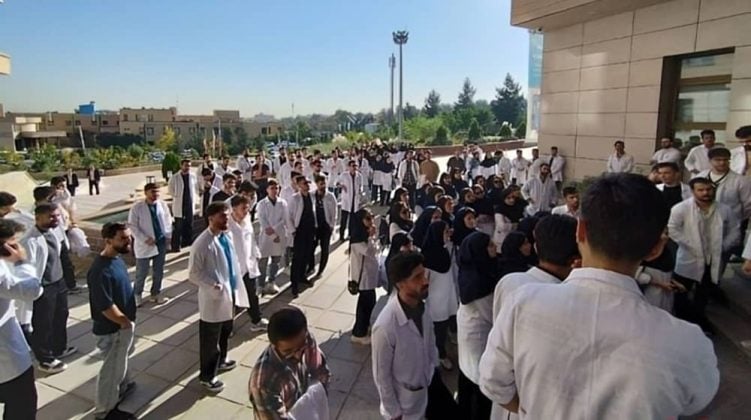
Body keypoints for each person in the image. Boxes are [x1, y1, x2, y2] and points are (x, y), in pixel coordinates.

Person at [479, 173, 719, 419]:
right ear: (657, 248)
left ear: (580, 231)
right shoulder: (688, 343)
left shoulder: (524, 302)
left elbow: (493, 382)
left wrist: (536, 410)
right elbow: (697, 410)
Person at [372, 251, 459, 420]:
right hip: (406, 402)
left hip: (430, 383)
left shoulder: (422, 307)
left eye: (424, 274)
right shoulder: (385, 326)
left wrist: (433, 365)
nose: (425, 281)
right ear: (400, 284)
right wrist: (394, 412)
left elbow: (430, 341)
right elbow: (381, 377)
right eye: (417, 277)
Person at [188, 201, 250, 393]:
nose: (227, 219)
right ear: (211, 218)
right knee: (210, 340)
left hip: (229, 293)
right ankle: (207, 377)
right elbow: (193, 274)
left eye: (228, 215)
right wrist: (214, 286)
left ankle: (222, 360)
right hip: (214, 298)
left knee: (225, 331)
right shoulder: (202, 244)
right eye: (223, 216)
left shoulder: (225, 236)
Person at [669, 177, 739, 334]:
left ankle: (699, 322)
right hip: (688, 257)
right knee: (680, 292)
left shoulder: (724, 210)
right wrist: (690, 244)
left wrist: (723, 246)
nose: (705, 193)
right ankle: (679, 322)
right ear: (693, 191)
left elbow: (735, 229)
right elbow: (673, 229)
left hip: (712, 258)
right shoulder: (681, 209)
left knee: (703, 294)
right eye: (701, 190)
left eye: (708, 189)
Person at [87, 222, 137, 420]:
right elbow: (105, 306)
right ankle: (105, 411)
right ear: (108, 241)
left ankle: (123, 388)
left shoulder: (116, 259)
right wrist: (124, 323)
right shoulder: (99, 271)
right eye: (123, 238)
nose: (128, 241)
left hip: (122, 325)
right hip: (113, 329)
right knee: (111, 371)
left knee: (120, 362)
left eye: (129, 236)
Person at [22, 203, 76, 374]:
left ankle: (59, 348)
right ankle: (45, 359)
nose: (56, 219)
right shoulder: (29, 241)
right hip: (44, 287)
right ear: (38, 218)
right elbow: (27, 268)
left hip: (59, 282)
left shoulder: (53, 231)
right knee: (43, 323)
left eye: (57, 215)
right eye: (51, 216)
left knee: (61, 315)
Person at [248, 307, 330, 419]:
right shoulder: (264, 384)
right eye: (288, 351)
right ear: (274, 345)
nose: (298, 356)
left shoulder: (306, 339)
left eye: (301, 347)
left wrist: (320, 398)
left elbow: (321, 371)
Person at [0, 218, 42, 420]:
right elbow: (32, 290)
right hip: (8, 361)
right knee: (22, 408)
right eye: (14, 244)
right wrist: (21, 262)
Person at [456, 231, 499, 420]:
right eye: (490, 245)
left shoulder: (474, 269)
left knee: (468, 371)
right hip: (478, 334)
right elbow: (492, 316)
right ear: (479, 251)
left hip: (470, 330)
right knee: (477, 378)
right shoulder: (479, 282)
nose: (495, 247)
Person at [697, 147, 751, 260]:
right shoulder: (700, 177)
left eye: (725, 160)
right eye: (718, 160)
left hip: (730, 226)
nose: (722, 163)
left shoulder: (741, 180)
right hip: (703, 223)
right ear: (710, 161)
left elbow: (747, 206)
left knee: (724, 257)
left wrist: (736, 220)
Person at [228, 195, 268, 332]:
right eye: (243, 208)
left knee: (252, 294)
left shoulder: (247, 220)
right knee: (231, 299)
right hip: (232, 269)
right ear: (234, 209)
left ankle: (257, 320)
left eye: (248, 207)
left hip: (248, 266)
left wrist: (256, 253)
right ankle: (227, 327)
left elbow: (251, 239)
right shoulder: (226, 225)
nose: (247, 211)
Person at [128, 183, 172, 307]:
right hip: (144, 244)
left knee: (158, 271)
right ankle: (137, 295)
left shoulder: (162, 205)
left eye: (157, 192)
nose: (156, 194)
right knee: (142, 272)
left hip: (160, 242)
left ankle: (155, 294)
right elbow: (132, 226)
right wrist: (144, 239)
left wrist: (168, 236)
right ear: (146, 192)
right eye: (153, 192)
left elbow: (168, 221)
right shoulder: (137, 208)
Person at [422, 220, 458, 370]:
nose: (448, 234)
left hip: (448, 296)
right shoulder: (426, 258)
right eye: (445, 232)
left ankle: (440, 353)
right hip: (435, 301)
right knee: (438, 330)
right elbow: (424, 282)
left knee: (444, 327)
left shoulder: (445, 250)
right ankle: (439, 356)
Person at [350, 209, 380, 345]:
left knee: (370, 303)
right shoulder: (357, 239)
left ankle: (364, 326)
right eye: (368, 219)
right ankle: (358, 333)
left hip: (370, 275)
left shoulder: (365, 235)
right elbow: (369, 251)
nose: (371, 221)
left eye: (371, 217)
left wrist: (372, 236)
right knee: (364, 304)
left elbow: (377, 249)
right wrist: (371, 236)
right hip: (363, 277)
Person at [287, 175, 317, 298]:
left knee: (307, 255)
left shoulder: (311, 196)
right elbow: (288, 216)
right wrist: (293, 230)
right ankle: (294, 284)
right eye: (304, 183)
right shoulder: (294, 199)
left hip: (310, 230)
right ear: (299, 185)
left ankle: (302, 276)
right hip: (299, 231)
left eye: (308, 183)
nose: (307, 186)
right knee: (297, 258)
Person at [256, 179, 286, 296]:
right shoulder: (262, 204)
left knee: (276, 261)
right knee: (263, 262)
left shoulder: (283, 203)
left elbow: (284, 219)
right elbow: (263, 221)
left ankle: (271, 282)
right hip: (266, 236)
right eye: (272, 188)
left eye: (276, 188)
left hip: (279, 235)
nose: (274, 191)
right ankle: (260, 285)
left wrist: (276, 232)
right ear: (267, 190)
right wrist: (273, 234)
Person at [167, 159, 199, 252]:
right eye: (186, 165)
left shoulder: (193, 176)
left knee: (189, 225)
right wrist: (177, 196)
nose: (187, 167)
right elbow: (170, 190)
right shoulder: (175, 177)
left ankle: (187, 244)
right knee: (178, 227)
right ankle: (176, 246)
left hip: (189, 204)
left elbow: (196, 188)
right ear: (181, 166)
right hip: (179, 204)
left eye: (189, 166)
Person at [311, 175, 337, 279]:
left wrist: (332, 225)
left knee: (324, 249)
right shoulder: (312, 195)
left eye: (324, 183)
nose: (323, 186)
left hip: (326, 227)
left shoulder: (330, 196)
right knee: (311, 248)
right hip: (315, 226)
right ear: (316, 184)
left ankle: (321, 270)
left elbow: (334, 213)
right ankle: (311, 266)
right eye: (321, 184)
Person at [337, 160, 364, 241]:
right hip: (346, 200)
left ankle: (350, 234)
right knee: (344, 219)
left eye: (355, 166)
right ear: (348, 167)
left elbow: (361, 186)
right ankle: (341, 235)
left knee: (353, 219)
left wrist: (360, 193)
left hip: (355, 200)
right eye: (352, 166)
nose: (354, 167)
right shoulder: (344, 175)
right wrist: (341, 185)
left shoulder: (359, 176)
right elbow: (337, 183)